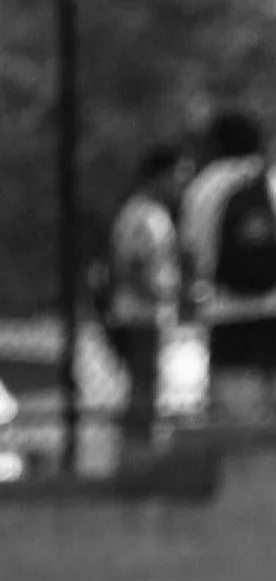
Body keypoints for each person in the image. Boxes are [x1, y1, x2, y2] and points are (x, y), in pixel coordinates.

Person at [179, 111, 276, 419]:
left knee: (235, 412)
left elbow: (191, 253)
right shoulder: (273, 179)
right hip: (275, 309)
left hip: (224, 311)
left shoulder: (202, 187)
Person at [97, 143, 188, 451]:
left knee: (149, 383)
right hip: (139, 314)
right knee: (142, 385)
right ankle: (136, 449)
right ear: (158, 175)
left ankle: (142, 445)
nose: (180, 183)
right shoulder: (141, 214)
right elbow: (131, 267)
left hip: (150, 312)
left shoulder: (155, 214)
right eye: (176, 175)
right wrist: (163, 295)